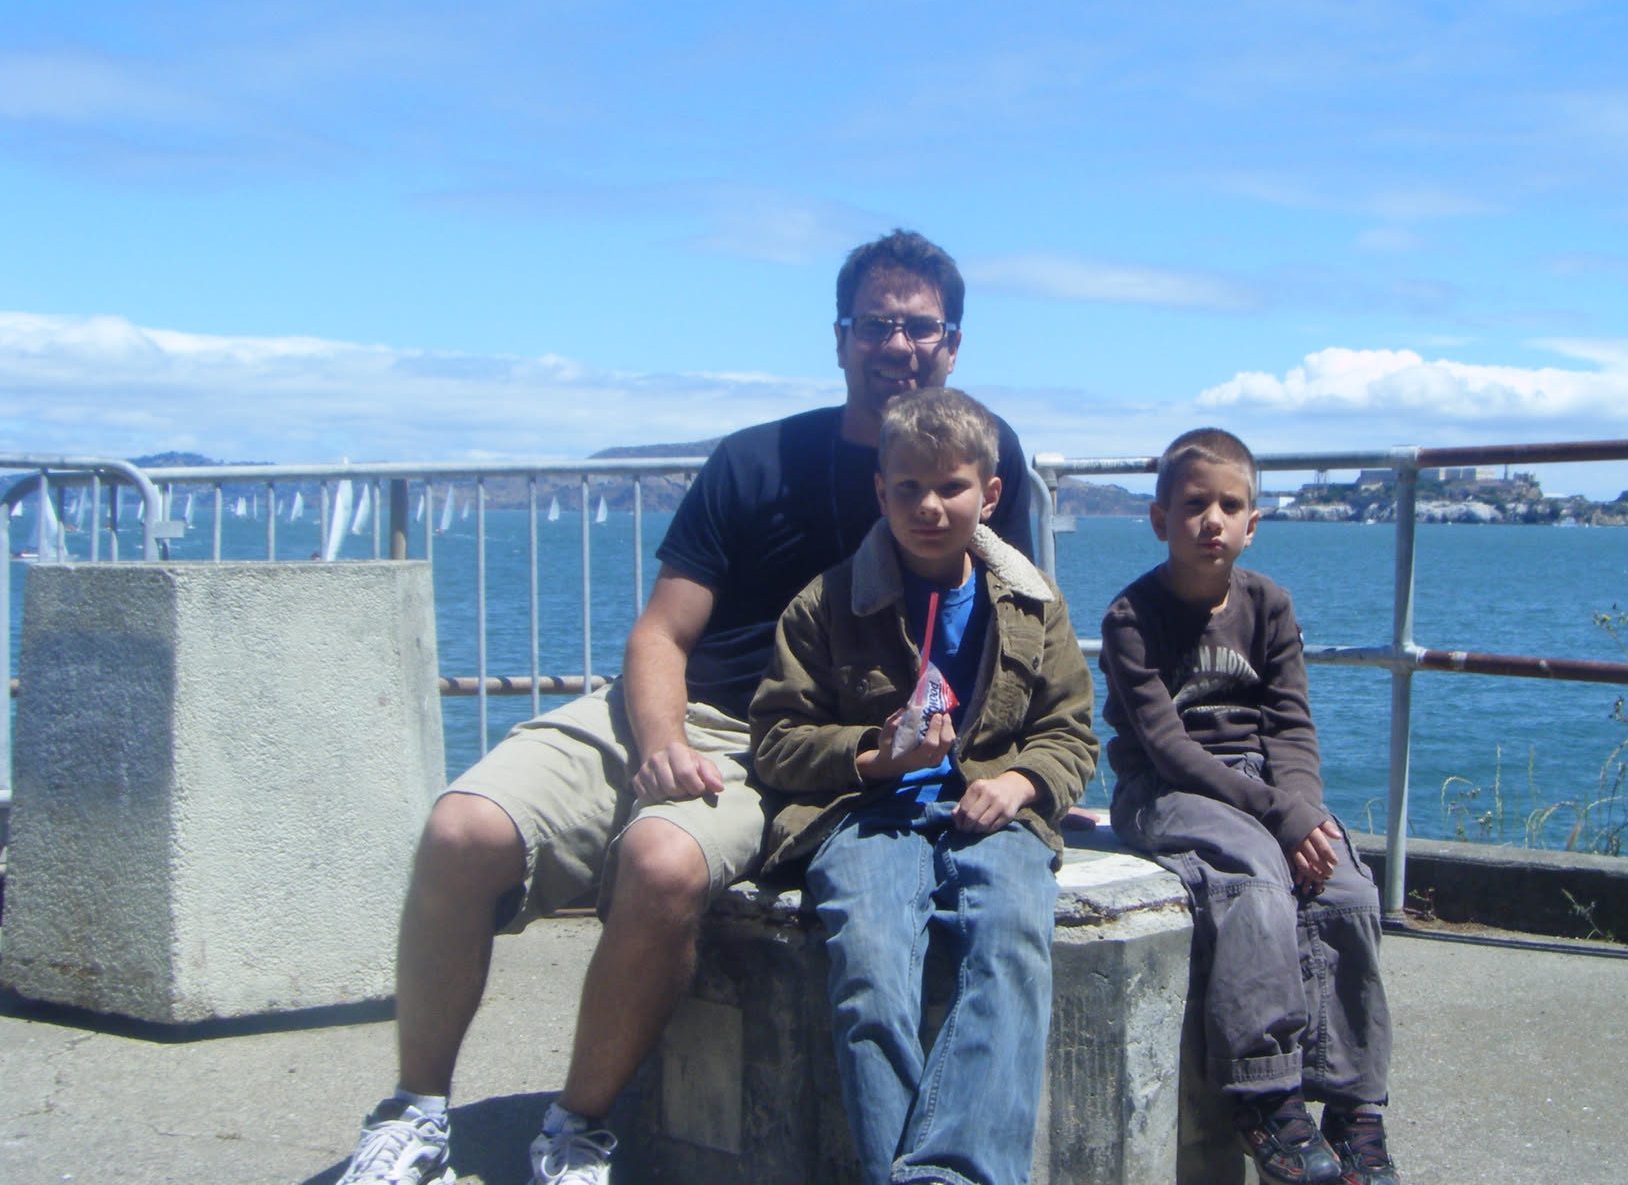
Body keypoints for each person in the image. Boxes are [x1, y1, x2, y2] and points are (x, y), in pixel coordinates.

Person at [337, 231, 1033, 1185]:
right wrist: (659, 739)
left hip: (781, 741)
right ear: (840, 339)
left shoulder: (981, 459)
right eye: (876, 324)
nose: (897, 345)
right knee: (463, 830)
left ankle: (577, 1129)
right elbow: (662, 633)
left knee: (660, 862)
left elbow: (1006, 634)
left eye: (920, 328)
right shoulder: (752, 462)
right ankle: (413, 1114)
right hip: (663, 708)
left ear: (952, 346)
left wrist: (1021, 771)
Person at [750, 387, 1096, 1185]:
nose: (929, 506)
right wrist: (876, 757)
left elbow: (1072, 733)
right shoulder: (825, 604)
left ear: (991, 494)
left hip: (994, 819)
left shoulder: (1033, 607)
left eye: (951, 487)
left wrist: (1020, 782)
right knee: (871, 965)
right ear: (881, 492)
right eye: (908, 487)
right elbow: (775, 742)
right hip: (866, 816)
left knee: (1010, 946)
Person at [1099, 428, 1397, 1185]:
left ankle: (1353, 1105)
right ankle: (1265, 1094)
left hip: (1260, 783)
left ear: (1253, 522)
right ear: (1160, 518)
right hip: (1167, 791)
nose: (1213, 520)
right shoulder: (1131, 617)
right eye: (1194, 504)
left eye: (1230, 506)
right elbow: (1168, 747)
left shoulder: (1269, 605)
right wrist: (1275, 817)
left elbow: (1290, 727)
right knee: (1257, 877)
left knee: (1347, 887)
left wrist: (1303, 811)